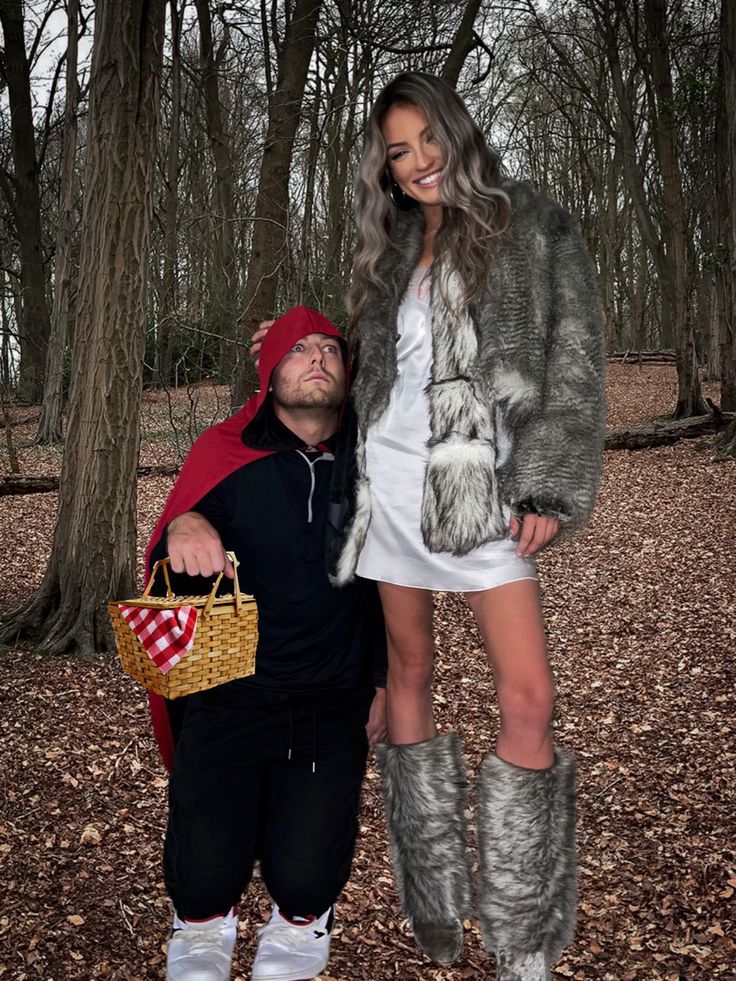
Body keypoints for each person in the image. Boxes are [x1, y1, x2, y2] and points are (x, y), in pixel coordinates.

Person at [256, 72, 605, 980]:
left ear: (455, 128)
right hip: (393, 486)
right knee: (408, 673)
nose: (416, 165)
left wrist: (545, 485)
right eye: (397, 154)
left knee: (529, 699)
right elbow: (377, 372)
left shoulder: (530, 222)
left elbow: (571, 359)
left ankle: (522, 933)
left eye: (425, 141)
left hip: (480, 492)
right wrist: (296, 341)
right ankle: (435, 899)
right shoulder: (394, 244)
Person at [145, 306, 388, 981]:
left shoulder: (375, 461)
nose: (316, 359)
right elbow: (182, 522)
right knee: (201, 875)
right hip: (228, 696)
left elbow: (393, 587)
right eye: (296, 349)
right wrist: (186, 521)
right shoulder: (224, 449)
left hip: (330, 702)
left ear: (350, 372)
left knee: (308, 878)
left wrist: (386, 679)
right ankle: (200, 931)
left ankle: (300, 926)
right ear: (267, 370)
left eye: (329, 351)